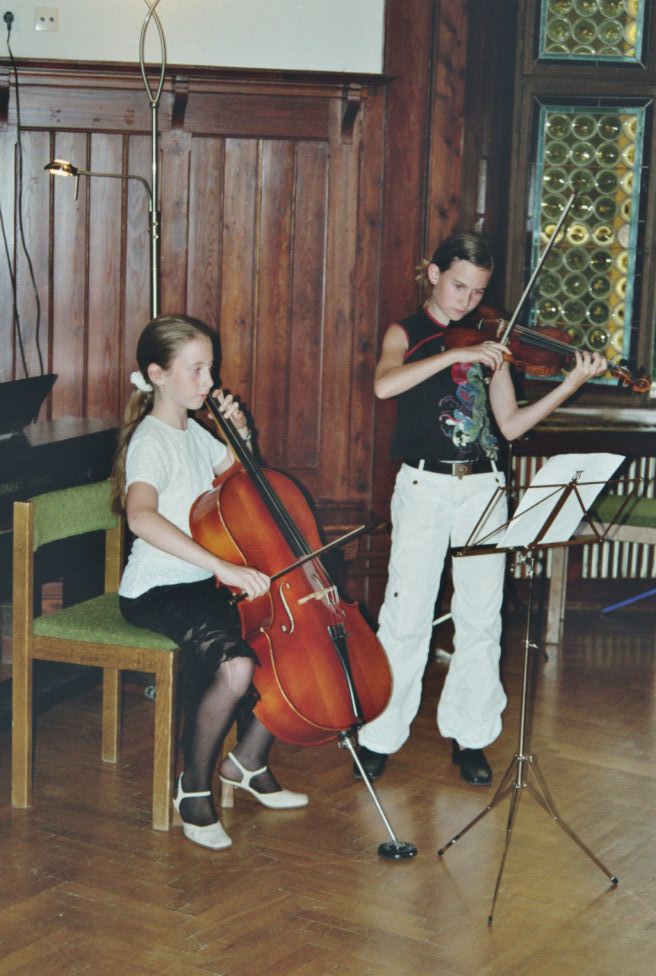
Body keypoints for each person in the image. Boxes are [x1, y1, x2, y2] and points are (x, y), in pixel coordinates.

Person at [355, 232, 607, 785]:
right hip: (423, 484)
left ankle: (470, 736)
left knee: (480, 616)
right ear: (433, 274)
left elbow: (510, 425)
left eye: (478, 292)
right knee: (406, 615)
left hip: (483, 488)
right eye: (458, 287)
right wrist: (456, 353)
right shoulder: (408, 332)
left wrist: (569, 384)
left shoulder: (494, 342)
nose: (467, 302)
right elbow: (384, 386)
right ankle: (379, 736)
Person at [110, 314, 308, 851]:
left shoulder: (196, 432)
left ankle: (247, 762)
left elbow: (246, 487)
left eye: (210, 369)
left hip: (203, 582)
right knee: (236, 666)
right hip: (157, 589)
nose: (209, 381)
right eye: (196, 370)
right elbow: (141, 517)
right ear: (157, 374)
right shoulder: (151, 440)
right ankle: (193, 788)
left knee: (289, 647)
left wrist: (240, 439)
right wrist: (223, 567)